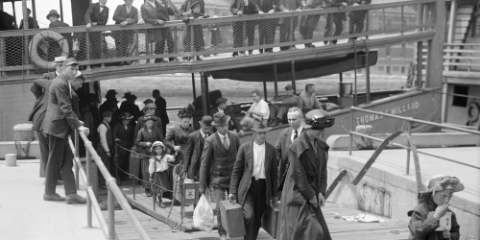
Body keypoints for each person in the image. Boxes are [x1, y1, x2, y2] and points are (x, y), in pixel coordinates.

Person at [277, 109, 335, 240]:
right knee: (306, 232)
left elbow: (323, 171)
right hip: (296, 195)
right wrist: (311, 196)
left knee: (315, 233)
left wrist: (320, 192)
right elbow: (299, 175)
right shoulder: (296, 146)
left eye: (323, 128)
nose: (322, 131)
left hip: (312, 193)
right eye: (319, 128)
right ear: (309, 128)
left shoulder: (321, 145)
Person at [42, 58, 89, 204]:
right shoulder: (61, 83)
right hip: (57, 127)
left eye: (76, 69)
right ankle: (49, 192)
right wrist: (77, 125)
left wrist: (76, 122)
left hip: (60, 126)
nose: (74, 72)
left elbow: (66, 108)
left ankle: (71, 193)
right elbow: (65, 107)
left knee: (67, 160)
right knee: (54, 160)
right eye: (71, 69)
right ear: (63, 68)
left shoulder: (63, 81)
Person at [229, 122, 278, 240]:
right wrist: (232, 191)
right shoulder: (244, 148)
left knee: (257, 219)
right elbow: (236, 171)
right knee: (249, 215)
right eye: (260, 133)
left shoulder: (271, 150)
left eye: (264, 133)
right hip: (248, 188)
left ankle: (251, 238)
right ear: (254, 133)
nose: (262, 136)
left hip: (263, 188)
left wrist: (275, 195)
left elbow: (274, 174)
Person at [199, 112, 241, 240]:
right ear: (216, 127)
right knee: (219, 206)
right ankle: (222, 233)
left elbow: (240, 158)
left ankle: (235, 230)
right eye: (222, 125)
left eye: (226, 124)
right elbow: (205, 164)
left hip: (234, 178)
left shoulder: (234, 136)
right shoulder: (210, 141)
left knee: (236, 204)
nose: (225, 127)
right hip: (218, 179)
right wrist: (202, 185)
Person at [29, 57, 66, 178]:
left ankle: (50, 176)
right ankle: (51, 177)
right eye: (60, 65)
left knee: (50, 149)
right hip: (45, 118)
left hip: (47, 118)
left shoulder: (65, 79)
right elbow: (34, 85)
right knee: (49, 149)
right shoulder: (48, 76)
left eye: (63, 65)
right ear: (56, 66)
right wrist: (40, 97)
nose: (62, 67)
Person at [407, 175, 463, 240]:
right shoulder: (419, 211)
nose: (447, 200)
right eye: (443, 196)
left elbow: (455, 231)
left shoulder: (449, 213)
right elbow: (417, 231)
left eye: (450, 196)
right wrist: (435, 217)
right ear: (432, 195)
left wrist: (451, 236)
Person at [136, 116, 174, 197]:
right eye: (149, 123)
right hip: (146, 153)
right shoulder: (141, 131)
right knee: (146, 171)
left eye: (151, 123)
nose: (150, 124)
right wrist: (145, 144)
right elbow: (138, 142)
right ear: (145, 123)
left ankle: (156, 188)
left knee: (156, 170)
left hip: (155, 152)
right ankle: (147, 189)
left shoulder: (156, 129)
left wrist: (163, 146)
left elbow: (161, 139)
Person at [165, 107, 195, 196]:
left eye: (188, 122)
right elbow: (166, 141)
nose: (186, 124)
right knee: (177, 174)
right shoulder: (174, 129)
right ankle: (174, 194)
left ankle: (187, 195)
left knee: (188, 174)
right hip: (178, 153)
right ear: (180, 121)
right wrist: (173, 147)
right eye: (184, 122)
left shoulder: (192, 130)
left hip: (190, 153)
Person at [274, 107, 304, 191]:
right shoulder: (284, 133)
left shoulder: (308, 134)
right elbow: (276, 151)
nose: (291, 122)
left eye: (294, 119)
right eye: (289, 119)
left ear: (302, 118)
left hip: (303, 177)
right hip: (286, 176)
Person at [183, 115, 213, 180]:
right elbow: (187, 153)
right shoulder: (192, 136)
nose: (208, 130)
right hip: (196, 166)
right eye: (206, 128)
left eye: (209, 128)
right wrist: (185, 169)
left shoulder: (213, 136)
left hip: (209, 167)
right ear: (201, 126)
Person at [149, 141, 176, 208]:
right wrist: (151, 175)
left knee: (161, 188)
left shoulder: (165, 156)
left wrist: (176, 153)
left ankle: (157, 198)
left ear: (162, 149)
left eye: (160, 149)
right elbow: (151, 167)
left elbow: (172, 159)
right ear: (154, 150)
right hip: (156, 174)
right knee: (158, 188)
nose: (158, 150)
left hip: (163, 174)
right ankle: (159, 201)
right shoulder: (153, 158)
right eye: (157, 149)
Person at [113, 0, 139, 66]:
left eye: (130, 0)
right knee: (119, 46)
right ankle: (119, 62)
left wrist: (127, 22)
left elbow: (136, 19)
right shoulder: (119, 7)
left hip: (129, 32)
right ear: (125, 1)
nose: (129, 2)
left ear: (132, 1)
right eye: (127, 0)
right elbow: (115, 17)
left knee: (127, 46)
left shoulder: (135, 9)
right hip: (119, 31)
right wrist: (126, 20)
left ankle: (126, 61)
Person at [84, 0, 110, 65]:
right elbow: (87, 14)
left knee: (98, 46)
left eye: (106, 0)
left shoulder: (107, 9)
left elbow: (104, 21)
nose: (104, 1)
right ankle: (87, 64)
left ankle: (97, 63)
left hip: (98, 31)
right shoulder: (93, 5)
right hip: (88, 29)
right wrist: (89, 23)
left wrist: (97, 23)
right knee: (86, 46)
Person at [113, 112, 135, 181]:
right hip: (120, 145)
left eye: (129, 120)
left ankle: (124, 175)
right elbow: (114, 133)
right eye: (126, 120)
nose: (128, 121)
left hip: (127, 145)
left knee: (126, 161)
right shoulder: (118, 125)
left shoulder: (130, 127)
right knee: (119, 161)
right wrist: (116, 138)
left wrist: (133, 143)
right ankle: (118, 177)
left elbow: (132, 136)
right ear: (122, 120)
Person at [97, 110, 114, 189]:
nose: (110, 118)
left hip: (105, 148)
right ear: (105, 118)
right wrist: (107, 151)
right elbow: (103, 140)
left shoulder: (106, 125)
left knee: (106, 165)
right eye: (109, 117)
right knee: (104, 165)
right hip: (103, 149)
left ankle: (103, 182)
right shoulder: (103, 126)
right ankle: (102, 183)